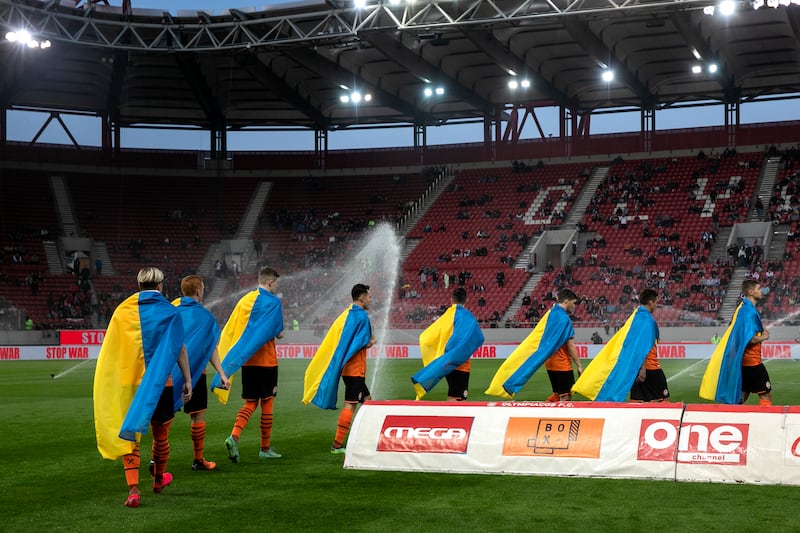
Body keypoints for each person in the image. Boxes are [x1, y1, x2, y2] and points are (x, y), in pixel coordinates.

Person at [93, 267, 192, 508]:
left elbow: (112, 350)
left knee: (131, 436)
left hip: (130, 384)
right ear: (160, 286)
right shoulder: (170, 311)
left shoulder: (122, 311)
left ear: (139, 285)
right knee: (161, 436)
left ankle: (134, 489)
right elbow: (179, 348)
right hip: (161, 384)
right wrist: (188, 380)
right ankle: (158, 480)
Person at [210, 267, 285, 463]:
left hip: (248, 360)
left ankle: (233, 436)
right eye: (276, 283)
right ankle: (265, 448)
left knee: (250, 402)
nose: (277, 287)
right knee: (267, 402)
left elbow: (237, 327)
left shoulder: (245, 301)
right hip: (266, 360)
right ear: (270, 282)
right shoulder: (273, 303)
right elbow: (278, 332)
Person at [302, 283, 375, 454]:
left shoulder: (347, 314)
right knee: (350, 404)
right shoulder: (362, 316)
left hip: (347, 368)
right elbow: (362, 342)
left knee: (369, 401)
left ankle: (368, 438)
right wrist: (371, 342)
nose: (371, 299)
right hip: (355, 369)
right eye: (369, 296)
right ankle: (337, 444)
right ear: (362, 297)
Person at [170, 275, 231, 471]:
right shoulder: (205, 317)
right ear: (199, 291)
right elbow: (211, 347)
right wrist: (221, 373)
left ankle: (156, 460)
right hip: (196, 373)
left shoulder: (172, 313)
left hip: (169, 372)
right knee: (198, 416)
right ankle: (198, 459)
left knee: (164, 416)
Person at [485, 288, 579, 400]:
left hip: (550, 363)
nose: (575, 306)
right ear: (566, 301)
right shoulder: (564, 319)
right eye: (574, 303)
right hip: (562, 364)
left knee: (558, 395)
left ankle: (544, 411)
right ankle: (556, 417)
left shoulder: (551, 313)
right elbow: (570, 345)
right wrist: (579, 364)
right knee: (566, 397)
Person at [573, 288, 662, 402]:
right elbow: (642, 347)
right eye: (655, 302)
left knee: (637, 401)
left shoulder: (636, 316)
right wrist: (643, 368)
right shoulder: (647, 320)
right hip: (646, 367)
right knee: (662, 401)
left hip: (634, 366)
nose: (656, 305)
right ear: (650, 302)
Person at [700, 279, 772, 406]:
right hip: (752, 362)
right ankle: (766, 423)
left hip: (742, 361)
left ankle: (729, 418)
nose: (761, 291)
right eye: (758, 288)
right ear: (751, 292)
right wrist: (764, 337)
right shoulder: (748, 311)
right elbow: (750, 339)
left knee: (741, 397)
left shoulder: (743, 308)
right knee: (765, 394)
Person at [411, 288, 484, 401]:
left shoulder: (445, 316)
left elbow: (427, 336)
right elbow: (478, 337)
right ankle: (452, 418)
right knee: (457, 399)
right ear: (467, 300)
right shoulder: (468, 317)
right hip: (460, 364)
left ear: (451, 300)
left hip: (446, 361)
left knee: (454, 395)